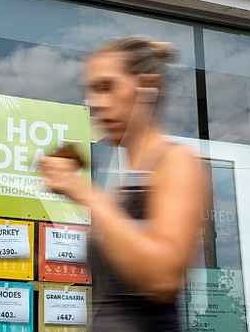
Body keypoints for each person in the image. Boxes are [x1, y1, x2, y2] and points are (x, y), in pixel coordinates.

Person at [38, 36, 210, 332]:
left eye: (106, 87)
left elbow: (163, 278)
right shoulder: (122, 185)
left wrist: (88, 195)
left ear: (147, 87)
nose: (95, 103)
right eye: (90, 91)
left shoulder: (177, 162)